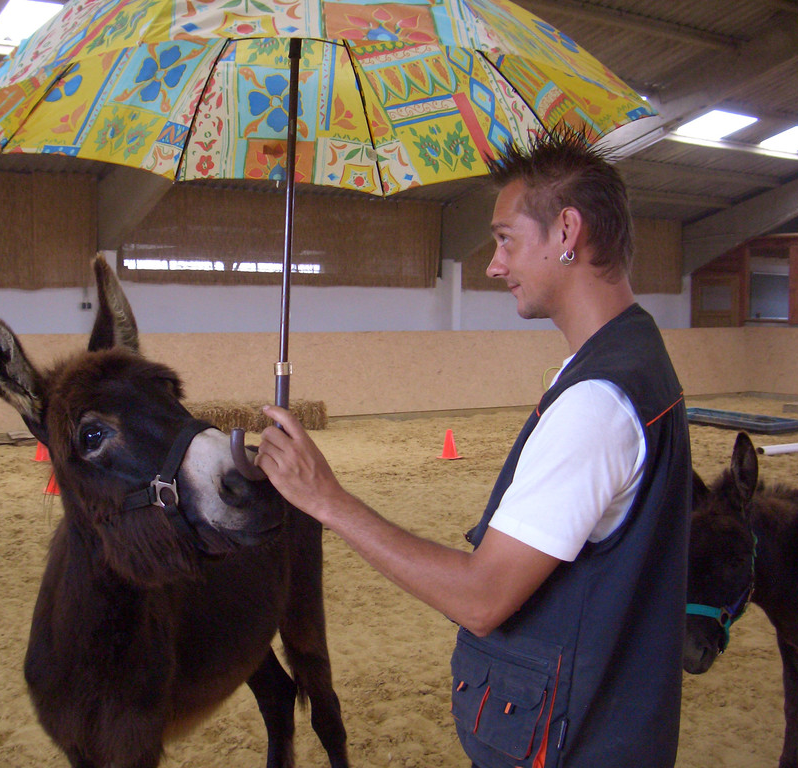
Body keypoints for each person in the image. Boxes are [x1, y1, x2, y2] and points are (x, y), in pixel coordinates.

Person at [255, 129, 692, 768]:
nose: (493, 264)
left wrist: (329, 501)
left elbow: (483, 599)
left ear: (566, 232)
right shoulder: (635, 359)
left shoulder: (597, 404)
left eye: (506, 239)